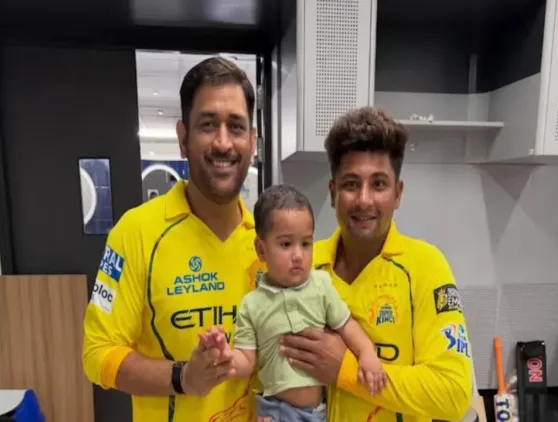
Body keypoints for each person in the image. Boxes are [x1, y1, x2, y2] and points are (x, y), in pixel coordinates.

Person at [82, 57, 265, 421]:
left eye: (236, 126)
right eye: (208, 125)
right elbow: (97, 353)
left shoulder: (271, 241)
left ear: (253, 141)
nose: (223, 142)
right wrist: (183, 378)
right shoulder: (135, 232)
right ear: (183, 139)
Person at [265, 107, 473, 422]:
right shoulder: (303, 267)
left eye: (378, 184)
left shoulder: (425, 267)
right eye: (351, 184)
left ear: (397, 194)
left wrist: (344, 369)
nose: (364, 200)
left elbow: (452, 393)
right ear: (333, 193)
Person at [199, 185, 387, 422]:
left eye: (306, 244)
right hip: (275, 412)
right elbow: (246, 362)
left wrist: (367, 352)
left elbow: (346, 325)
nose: (298, 255)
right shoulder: (252, 304)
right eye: (286, 244)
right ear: (261, 249)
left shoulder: (321, 285)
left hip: (318, 413)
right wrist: (226, 356)